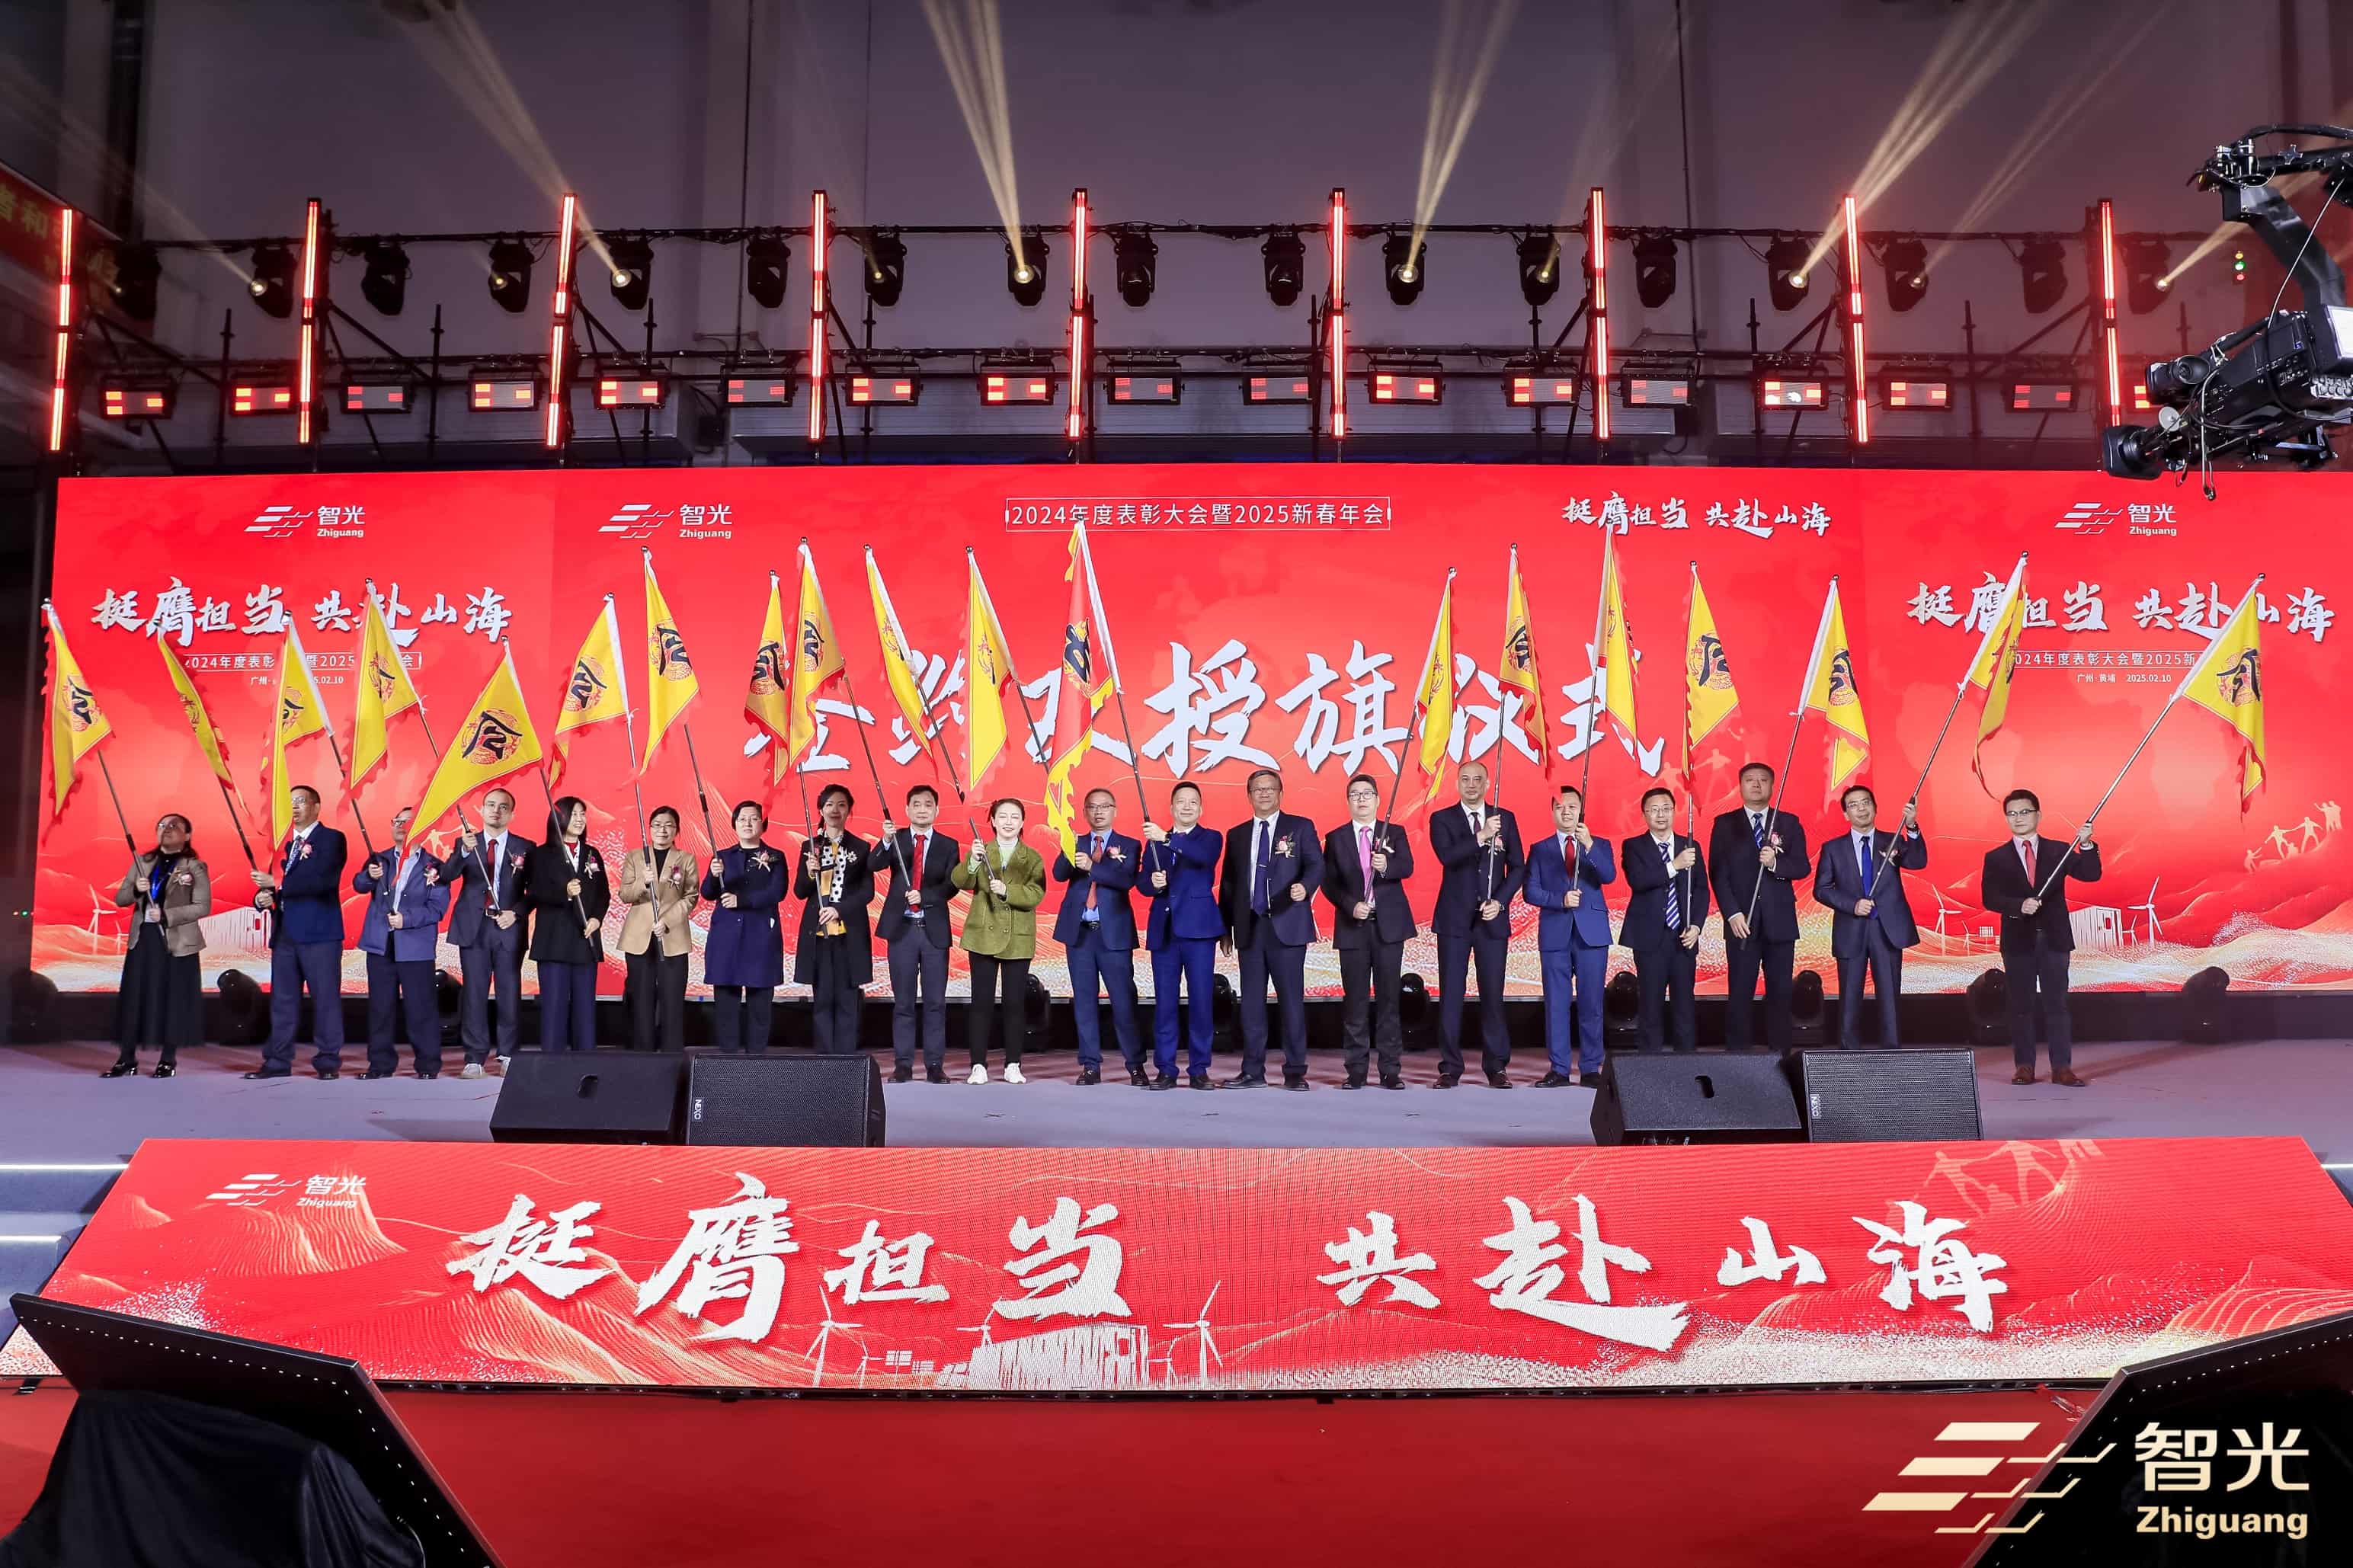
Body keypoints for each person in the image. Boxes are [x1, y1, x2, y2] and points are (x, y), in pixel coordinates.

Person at [1979, 789, 2100, 1087]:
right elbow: (1989, 898)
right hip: (2017, 941)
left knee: (2057, 1004)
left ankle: (2062, 1068)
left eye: (2025, 812)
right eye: (2012, 814)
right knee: (2021, 1006)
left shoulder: (2059, 851)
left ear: (2038, 815)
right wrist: (2018, 906)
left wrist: (2086, 845)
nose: (2018, 818)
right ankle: (2024, 1066)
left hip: (2054, 938)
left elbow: (2091, 874)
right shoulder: (1996, 857)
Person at [1217, 767, 1324, 1090]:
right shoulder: (1237, 834)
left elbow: (1316, 865)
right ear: (1249, 795)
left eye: (1270, 788)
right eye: (1258, 789)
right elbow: (1229, 884)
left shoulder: (1300, 827)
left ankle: (1295, 1072)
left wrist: (1305, 887)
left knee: (1291, 1002)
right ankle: (1252, 1071)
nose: (1264, 794)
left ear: (1280, 793)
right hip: (1250, 927)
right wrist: (1225, 929)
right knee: (1251, 1004)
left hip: (1287, 925)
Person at [1427, 760, 1525, 1086]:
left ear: (1487, 784)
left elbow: (1518, 867)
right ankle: (1449, 1068)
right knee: (1451, 995)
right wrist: (1482, 835)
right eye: (1465, 779)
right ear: (1457, 784)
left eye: (1478, 779)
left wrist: (1500, 902)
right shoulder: (1442, 818)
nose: (1471, 785)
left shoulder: (1505, 818)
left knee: (1493, 995)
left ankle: (1496, 1066)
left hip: (1491, 920)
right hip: (1454, 919)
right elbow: (1448, 857)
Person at [247, 785, 350, 1080]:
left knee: (325, 1000)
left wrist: (278, 885)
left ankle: (328, 1061)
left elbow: (322, 881)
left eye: (300, 801)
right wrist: (263, 898)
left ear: (316, 807)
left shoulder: (332, 839)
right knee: (282, 1002)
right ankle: (277, 1061)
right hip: (285, 935)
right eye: (289, 802)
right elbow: (274, 887)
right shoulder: (283, 845)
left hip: (320, 935)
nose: (293, 807)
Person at [1811, 786, 1926, 1049]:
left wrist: (1911, 827)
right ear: (1845, 814)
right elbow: (1822, 889)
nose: (1861, 808)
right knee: (1850, 995)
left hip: (1886, 929)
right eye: (1853, 805)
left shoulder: (1892, 841)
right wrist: (1852, 905)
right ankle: (1849, 1051)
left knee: (1889, 994)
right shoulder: (1833, 848)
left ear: (1875, 808)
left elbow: (1918, 861)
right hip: (1851, 928)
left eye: (1866, 803)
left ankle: (1891, 1050)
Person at [1708, 762, 1812, 1054]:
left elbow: (1802, 866)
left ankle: (1780, 1057)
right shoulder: (1725, 824)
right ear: (1740, 786)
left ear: (1772, 786)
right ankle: (1738, 1058)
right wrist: (1732, 913)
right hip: (1741, 923)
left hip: (1780, 923)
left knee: (1780, 993)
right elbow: (1718, 874)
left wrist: (1776, 863)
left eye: (1763, 780)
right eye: (1750, 780)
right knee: (1740, 993)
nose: (1756, 785)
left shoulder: (1787, 823)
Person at [1321, 772, 1414, 1090]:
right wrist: (1350, 905)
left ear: (1377, 800)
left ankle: (1390, 1070)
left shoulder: (1394, 833)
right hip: (1353, 927)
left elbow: (1407, 867)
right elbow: (1329, 883)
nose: (1361, 799)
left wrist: (1386, 866)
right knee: (1355, 1002)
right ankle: (1356, 1070)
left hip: (1388, 927)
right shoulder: (1336, 838)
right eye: (1355, 795)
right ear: (1348, 801)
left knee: (1389, 1001)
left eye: (1367, 794)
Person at [1522, 785, 1616, 1087]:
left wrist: (1588, 844)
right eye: (1560, 807)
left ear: (1581, 811)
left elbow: (1609, 875)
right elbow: (1530, 891)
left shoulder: (1599, 844)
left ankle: (1590, 1068)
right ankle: (1559, 1069)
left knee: (1592, 1003)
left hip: (1592, 935)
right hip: (1555, 933)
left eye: (1572, 807)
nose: (1566, 812)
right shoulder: (1540, 849)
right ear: (1552, 812)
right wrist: (1560, 899)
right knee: (1556, 1004)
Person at [439, 787, 533, 1080]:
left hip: (507, 927)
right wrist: (463, 852)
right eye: (490, 805)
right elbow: (446, 875)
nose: (496, 811)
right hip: (474, 927)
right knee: (474, 993)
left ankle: (507, 1054)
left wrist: (516, 913)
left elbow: (535, 891)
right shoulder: (467, 842)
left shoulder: (525, 847)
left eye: (503, 806)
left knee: (509, 993)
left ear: (512, 814)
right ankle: (474, 1057)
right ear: (481, 810)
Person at [1052, 788, 1144, 1086]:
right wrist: (1067, 847)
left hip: (1113, 934)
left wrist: (1093, 866)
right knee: (1084, 1001)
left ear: (1114, 810)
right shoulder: (1077, 842)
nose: (1099, 812)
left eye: (1104, 806)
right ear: (1084, 812)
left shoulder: (1129, 844)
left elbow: (1125, 880)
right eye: (1092, 807)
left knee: (1124, 1001)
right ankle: (1090, 1064)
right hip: (1080, 934)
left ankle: (1135, 1065)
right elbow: (1058, 874)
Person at [106, 813, 209, 1078]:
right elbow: (120, 898)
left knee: (172, 998)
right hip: (144, 938)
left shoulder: (195, 867)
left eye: (174, 826)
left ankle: (168, 1059)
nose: (167, 829)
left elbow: (202, 906)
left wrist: (167, 915)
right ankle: (127, 1059)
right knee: (135, 996)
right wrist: (137, 890)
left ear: (187, 835)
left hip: (177, 941)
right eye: (162, 825)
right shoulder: (142, 862)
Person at [951, 797, 1045, 1083]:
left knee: (1014, 1003)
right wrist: (972, 861)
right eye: (1002, 816)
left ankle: (1013, 1063)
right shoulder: (982, 852)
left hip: (1018, 937)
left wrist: (1007, 891)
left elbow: (1036, 894)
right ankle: (978, 1065)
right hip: (982, 935)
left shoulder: (1032, 858)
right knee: (981, 1003)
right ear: (992, 821)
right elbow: (959, 881)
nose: (1008, 822)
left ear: (1023, 822)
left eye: (1014, 817)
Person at [353, 805, 450, 1078]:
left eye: (407, 822)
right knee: (381, 1008)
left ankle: (428, 1065)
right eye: (397, 821)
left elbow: (437, 909)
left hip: (415, 947)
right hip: (380, 944)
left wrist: (406, 920)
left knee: (420, 1008)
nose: (400, 826)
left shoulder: (434, 867)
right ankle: (380, 1065)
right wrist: (368, 876)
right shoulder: (379, 860)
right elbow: (359, 885)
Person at [1142, 780, 1221, 1090]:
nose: (1187, 807)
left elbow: (1203, 858)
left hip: (1199, 931)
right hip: (1165, 931)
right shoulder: (1154, 843)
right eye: (1181, 802)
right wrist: (1153, 883)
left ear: (1201, 808)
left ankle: (1199, 1069)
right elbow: (1142, 883)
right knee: (1165, 1003)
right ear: (1171, 807)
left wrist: (1167, 838)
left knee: (1201, 1001)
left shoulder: (1210, 838)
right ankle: (1165, 1069)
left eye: (1193, 802)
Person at [876, 784, 957, 1083]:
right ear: (907, 810)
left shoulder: (948, 845)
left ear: (936, 810)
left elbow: (951, 886)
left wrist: (925, 897)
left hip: (933, 931)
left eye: (928, 804)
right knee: (903, 1002)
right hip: (902, 931)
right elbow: (873, 864)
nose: (922, 809)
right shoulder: (896, 840)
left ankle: (935, 1064)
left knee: (935, 1002)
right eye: (917, 805)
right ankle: (903, 1064)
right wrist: (885, 841)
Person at [1621, 786, 1708, 1053]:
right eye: (1654, 810)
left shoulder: (1690, 846)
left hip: (1683, 937)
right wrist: (1674, 866)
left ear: (1674, 811)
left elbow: (1701, 890)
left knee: (1685, 1005)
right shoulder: (1634, 846)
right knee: (1650, 1004)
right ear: (1644, 814)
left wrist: (1697, 926)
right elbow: (1638, 881)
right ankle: (1650, 1065)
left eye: (1666, 809)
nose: (1661, 815)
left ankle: (1687, 1063)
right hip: (1649, 939)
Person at [794, 783, 875, 1056]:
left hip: (847, 933)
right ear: (820, 810)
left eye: (841, 804)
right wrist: (809, 873)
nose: (835, 810)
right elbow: (800, 891)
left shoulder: (861, 847)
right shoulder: (810, 847)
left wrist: (839, 910)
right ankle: (825, 1057)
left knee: (848, 996)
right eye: (829, 804)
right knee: (823, 996)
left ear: (849, 810)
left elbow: (867, 892)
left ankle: (847, 1057)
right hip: (818, 934)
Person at [701, 800, 788, 1054]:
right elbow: (708, 893)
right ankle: (729, 1057)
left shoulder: (775, 857)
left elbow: (777, 892)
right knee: (726, 1003)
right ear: (734, 824)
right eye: (742, 819)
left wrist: (743, 901)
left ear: (763, 823)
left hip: (760, 936)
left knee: (760, 1002)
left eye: (753, 818)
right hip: (726, 936)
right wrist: (712, 874)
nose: (747, 824)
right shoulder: (722, 857)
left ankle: (756, 1058)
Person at [529, 797, 610, 1053]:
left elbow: (604, 894)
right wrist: (563, 893)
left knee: (585, 1009)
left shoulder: (592, 854)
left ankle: (585, 1063)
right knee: (554, 1008)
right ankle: (552, 1064)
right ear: (559, 818)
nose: (579, 819)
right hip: (554, 943)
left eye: (582, 814)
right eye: (573, 814)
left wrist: (597, 918)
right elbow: (534, 892)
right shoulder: (541, 854)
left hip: (585, 941)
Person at [617, 806, 698, 1051]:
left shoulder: (686, 859)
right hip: (639, 936)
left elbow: (691, 897)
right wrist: (644, 882)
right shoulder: (635, 857)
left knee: (672, 998)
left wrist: (667, 921)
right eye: (657, 825)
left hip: (673, 935)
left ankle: (671, 1052)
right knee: (641, 997)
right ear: (649, 829)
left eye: (669, 825)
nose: (663, 830)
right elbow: (625, 894)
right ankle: (643, 1051)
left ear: (677, 830)